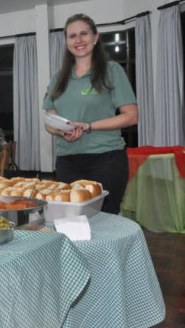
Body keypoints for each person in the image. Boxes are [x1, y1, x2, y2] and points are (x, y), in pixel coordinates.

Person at [42, 13, 138, 214]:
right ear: (67, 42)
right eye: (72, 36)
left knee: (104, 220)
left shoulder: (112, 70)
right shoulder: (57, 78)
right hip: (67, 161)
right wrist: (62, 131)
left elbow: (131, 116)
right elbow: (49, 121)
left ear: (95, 37)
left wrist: (89, 126)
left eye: (84, 34)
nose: (78, 40)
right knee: (71, 219)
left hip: (106, 159)